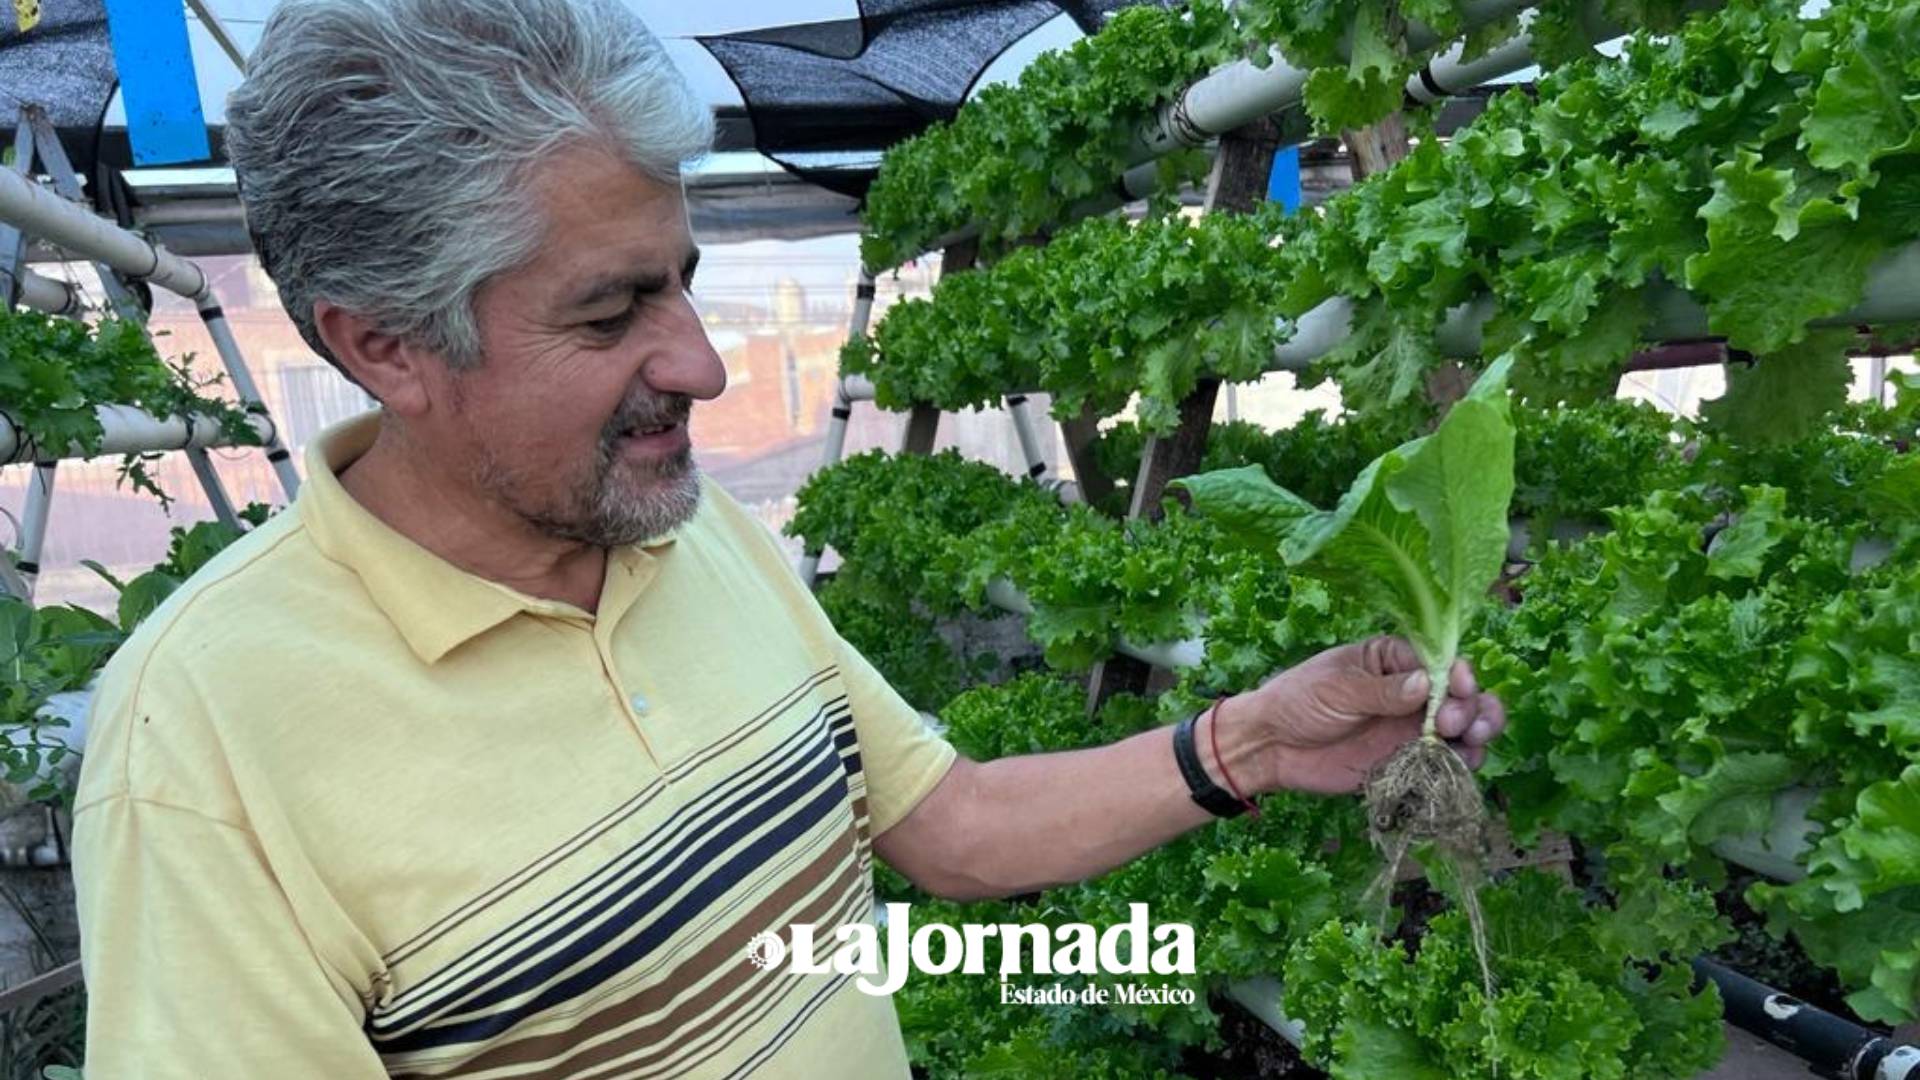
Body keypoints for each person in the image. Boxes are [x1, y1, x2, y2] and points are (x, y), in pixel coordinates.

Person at [69, 0, 1506, 1076]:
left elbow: (946, 827)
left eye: (687, 285)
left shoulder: (694, 543)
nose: (702, 365)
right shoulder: (204, 742)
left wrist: (1249, 742)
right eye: (609, 310)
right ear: (384, 347)